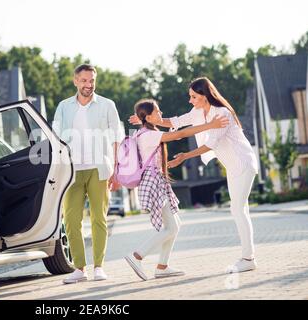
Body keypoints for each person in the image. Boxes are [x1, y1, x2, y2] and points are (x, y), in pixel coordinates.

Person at [130, 77, 259, 273]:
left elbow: (210, 144)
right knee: (240, 210)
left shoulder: (222, 114)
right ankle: (248, 257)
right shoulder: (198, 111)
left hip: (243, 164)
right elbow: (176, 123)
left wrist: (184, 156)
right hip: (232, 167)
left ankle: (248, 258)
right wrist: (149, 119)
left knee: (238, 210)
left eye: (193, 96)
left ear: (205, 96)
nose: (190, 100)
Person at [124, 99, 228, 280]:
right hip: (154, 183)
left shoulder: (146, 132)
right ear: (148, 117)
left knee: (174, 225)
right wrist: (210, 125)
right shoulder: (148, 135)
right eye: (157, 112)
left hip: (158, 181)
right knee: (171, 228)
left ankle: (162, 266)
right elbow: (182, 134)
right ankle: (137, 256)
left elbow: (176, 132)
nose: (161, 113)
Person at [52, 64, 124, 284]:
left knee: (99, 218)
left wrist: (117, 170)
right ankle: (79, 268)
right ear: (75, 81)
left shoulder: (107, 105)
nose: (88, 85)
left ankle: (99, 267)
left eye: (92, 80)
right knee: (71, 221)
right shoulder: (64, 107)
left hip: (99, 169)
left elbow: (117, 139)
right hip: (72, 171)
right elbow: (56, 140)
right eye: (84, 80)